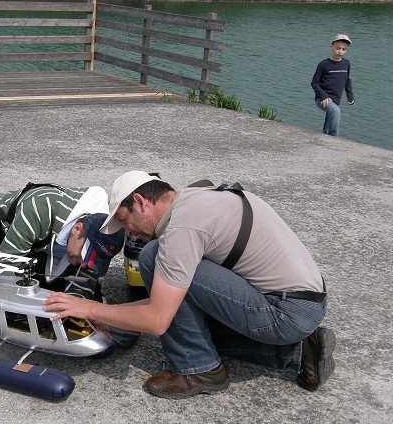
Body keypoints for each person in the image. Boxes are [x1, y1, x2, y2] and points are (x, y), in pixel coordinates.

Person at [44, 171, 336, 399]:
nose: (128, 232)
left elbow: (158, 319)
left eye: (126, 220)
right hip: (302, 302)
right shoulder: (197, 198)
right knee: (187, 325)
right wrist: (115, 314)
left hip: (284, 311)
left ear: (140, 202)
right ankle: (299, 353)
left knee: (154, 259)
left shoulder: (182, 229)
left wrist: (89, 308)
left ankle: (198, 368)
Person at [0, 183, 124, 302]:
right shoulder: (41, 208)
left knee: (81, 302)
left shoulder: (105, 231)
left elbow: (85, 282)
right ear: (77, 229)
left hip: (45, 251)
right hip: (11, 236)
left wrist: (77, 305)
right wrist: (9, 303)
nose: (85, 263)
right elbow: (8, 260)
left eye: (94, 261)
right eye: (86, 254)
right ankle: (2, 288)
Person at [311, 33, 355, 137]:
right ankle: (334, 138)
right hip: (322, 98)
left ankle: (325, 136)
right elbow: (314, 83)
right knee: (336, 112)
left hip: (336, 99)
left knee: (332, 114)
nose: (340, 51)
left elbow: (347, 81)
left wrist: (350, 96)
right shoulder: (324, 64)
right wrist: (323, 96)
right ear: (331, 46)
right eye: (338, 48)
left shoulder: (346, 63)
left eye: (344, 49)